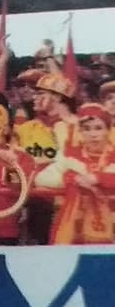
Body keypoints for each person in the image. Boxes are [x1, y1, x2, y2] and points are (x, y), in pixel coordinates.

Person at [35, 103, 115, 244]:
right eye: (87, 129)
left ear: (108, 130)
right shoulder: (70, 155)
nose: (93, 134)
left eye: (98, 128)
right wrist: (72, 178)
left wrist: (98, 178)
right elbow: (41, 179)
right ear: (80, 132)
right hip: (75, 231)